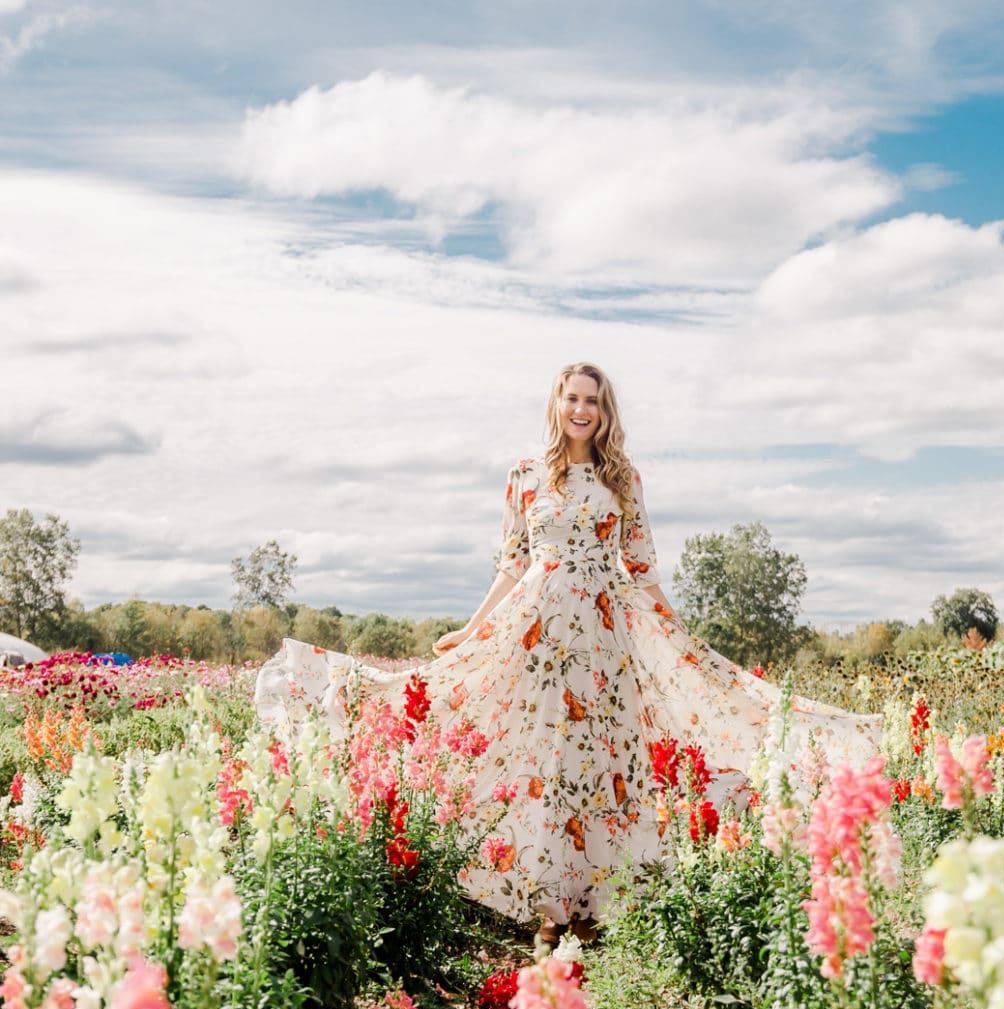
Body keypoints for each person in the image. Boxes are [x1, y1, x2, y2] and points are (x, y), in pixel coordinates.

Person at [255, 362, 881, 954]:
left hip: (604, 637)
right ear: (557, 405)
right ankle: (545, 902)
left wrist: (681, 636)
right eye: (573, 398)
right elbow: (512, 563)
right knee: (540, 757)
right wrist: (473, 628)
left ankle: (602, 900)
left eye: (593, 401)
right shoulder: (526, 473)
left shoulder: (623, 479)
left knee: (606, 759)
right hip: (538, 633)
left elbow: (641, 567)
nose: (582, 409)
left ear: (605, 412)